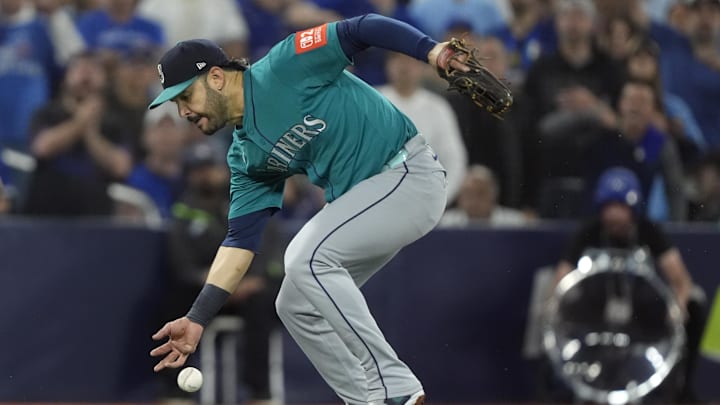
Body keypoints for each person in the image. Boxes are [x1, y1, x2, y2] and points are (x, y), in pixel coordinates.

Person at [148, 13, 472, 405]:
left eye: (185, 96)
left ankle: (394, 388)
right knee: (295, 303)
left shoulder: (284, 65)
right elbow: (239, 243)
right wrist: (198, 318)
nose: (183, 111)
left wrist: (431, 50)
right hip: (367, 202)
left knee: (305, 259)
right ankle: (365, 400)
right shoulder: (246, 155)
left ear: (216, 77)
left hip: (407, 173)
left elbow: (361, 28)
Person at [554, 166, 703, 402]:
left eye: (620, 207)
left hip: (640, 310)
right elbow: (561, 278)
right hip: (596, 311)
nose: (614, 215)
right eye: (609, 207)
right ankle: (565, 391)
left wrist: (678, 306)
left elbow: (681, 280)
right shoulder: (589, 231)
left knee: (696, 303)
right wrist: (556, 304)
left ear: (633, 209)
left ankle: (680, 391)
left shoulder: (649, 231)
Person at [377, 51, 467, 204]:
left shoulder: (438, 108)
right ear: (387, 65)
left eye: (409, 60)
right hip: (377, 198)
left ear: (421, 67)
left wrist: (441, 199)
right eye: (397, 59)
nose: (404, 66)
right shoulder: (373, 101)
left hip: (425, 199)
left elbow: (455, 160)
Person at [439, 165, 528, 227]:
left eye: (480, 193)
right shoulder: (444, 225)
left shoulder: (518, 224)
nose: (474, 200)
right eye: (468, 194)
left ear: (494, 194)